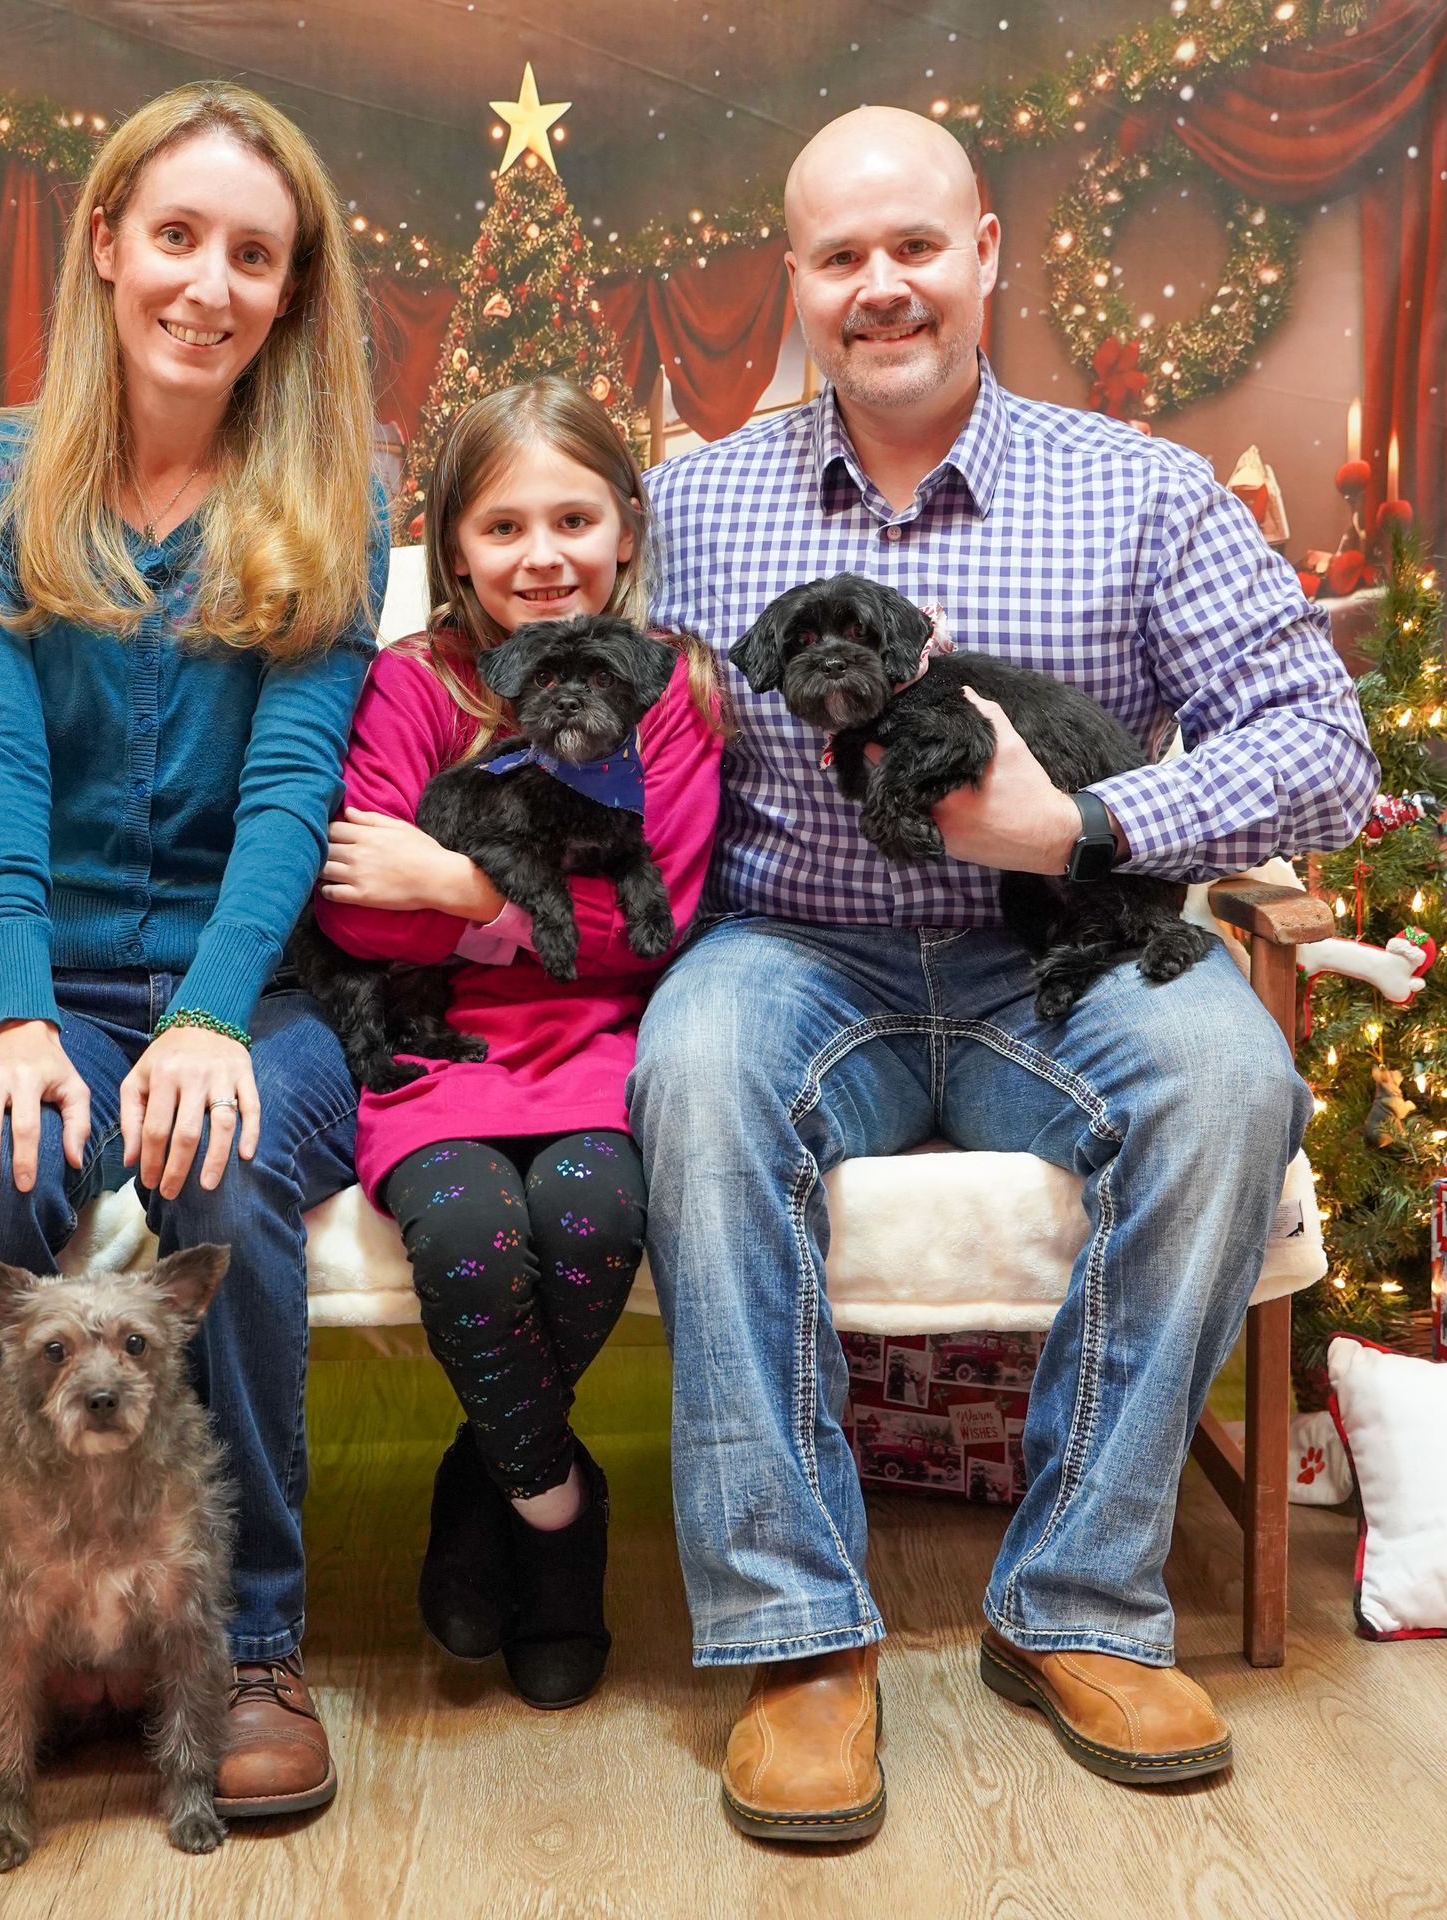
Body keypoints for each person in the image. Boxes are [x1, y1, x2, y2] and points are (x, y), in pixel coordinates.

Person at [629, 105, 1376, 1841]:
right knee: (695, 1064)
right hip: (794, 950)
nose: (881, 288)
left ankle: (1078, 1603)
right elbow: (543, 651)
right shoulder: (696, 502)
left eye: (914, 248)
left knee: (1234, 1073)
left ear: (984, 255)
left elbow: (1324, 749)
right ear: (797, 282)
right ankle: (801, 1638)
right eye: (839, 258)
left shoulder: (1142, 488)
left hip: (1073, 950)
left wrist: (1088, 822)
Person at [0, 81, 388, 1852]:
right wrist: (12, 1018)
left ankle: (250, 1656)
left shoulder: (338, 493)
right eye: (178, 237)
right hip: (45, 975)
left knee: (213, 1175)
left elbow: (296, 787)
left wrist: (220, 1016)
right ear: (105, 242)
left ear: (291, 292)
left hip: (255, 988)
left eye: (256, 255)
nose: (210, 285)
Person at [312, 377, 724, 1707]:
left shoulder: (671, 693)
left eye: (573, 518)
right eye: (503, 527)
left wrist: (468, 895)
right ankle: (562, 1514)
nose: (542, 555)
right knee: (471, 1233)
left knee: (598, 1212)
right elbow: (364, 919)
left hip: (603, 1038)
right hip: (435, 1048)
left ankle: (482, 1485)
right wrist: (475, 918)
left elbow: (652, 926)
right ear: (452, 546)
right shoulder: (410, 687)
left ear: (625, 529)